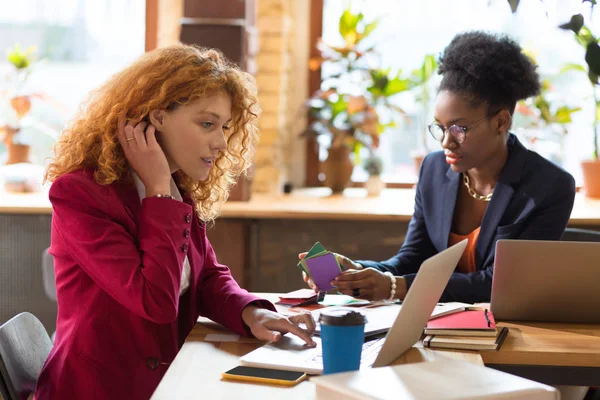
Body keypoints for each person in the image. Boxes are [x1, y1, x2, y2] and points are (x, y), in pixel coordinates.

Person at [35, 44, 315, 400]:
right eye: (207, 124)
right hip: (100, 390)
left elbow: (207, 278)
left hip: (171, 381)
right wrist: (157, 190)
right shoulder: (80, 195)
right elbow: (155, 301)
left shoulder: (175, 187)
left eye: (225, 127)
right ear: (156, 119)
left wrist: (251, 313)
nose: (221, 143)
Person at [303, 31, 576, 304]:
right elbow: (413, 258)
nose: (447, 142)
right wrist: (360, 272)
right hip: (438, 328)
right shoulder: (434, 170)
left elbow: (504, 283)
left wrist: (397, 287)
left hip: (510, 331)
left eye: (459, 129)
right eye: (441, 127)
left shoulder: (549, 187)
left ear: (501, 122)